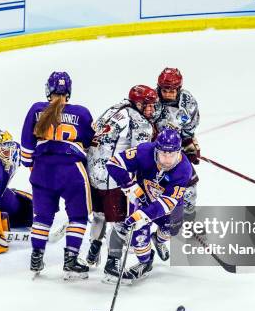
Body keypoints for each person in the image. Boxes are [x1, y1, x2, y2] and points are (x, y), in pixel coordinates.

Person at [20, 71, 94, 280]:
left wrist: (31, 166)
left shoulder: (36, 110)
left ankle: (36, 256)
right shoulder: (82, 113)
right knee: (78, 217)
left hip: (43, 169)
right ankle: (70, 260)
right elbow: (90, 143)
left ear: (48, 90)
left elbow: (26, 146)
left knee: (42, 217)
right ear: (69, 91)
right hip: (71, 170)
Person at [85, 85, 158, 274]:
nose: (150, 109)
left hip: (92, 171)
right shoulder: (140, 122)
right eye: (146, 105)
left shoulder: (114, 109)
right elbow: (141, 155)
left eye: (152, 105)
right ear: (136, 103)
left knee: (100, 214)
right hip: (113, 176)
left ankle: (94, 247)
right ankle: (113, 262)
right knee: (122, 220)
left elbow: (94, 128)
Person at [105, 128, 192, 283]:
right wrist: (129, 185)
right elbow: (113, 163)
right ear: (156, 149)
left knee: (171, 230)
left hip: (168, 207)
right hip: (141, 199)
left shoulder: (184, 169)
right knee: (138, 238)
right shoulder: (144, 151)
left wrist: (142, 215)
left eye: (171, 154)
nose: (167, 159)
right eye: (163, 153)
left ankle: (158, 240)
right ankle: (146, 262)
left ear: (179, 151)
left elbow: (166, 203)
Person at [153, 67, 201, 258]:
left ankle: (163, 236)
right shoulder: (152, 101)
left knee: (188, 193)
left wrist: (190, 144)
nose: (168, 94)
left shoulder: (188, 102)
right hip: (154, 154)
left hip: (177, 153)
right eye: (164, 90)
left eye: (172, 90)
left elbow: (189, 129)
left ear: (179, 88)